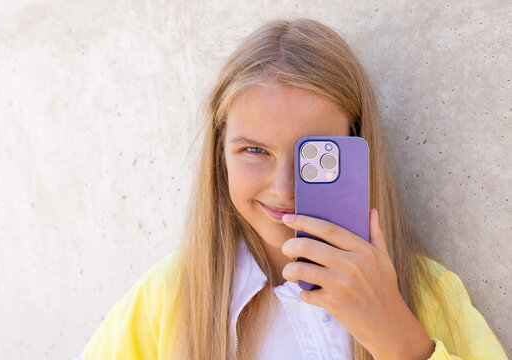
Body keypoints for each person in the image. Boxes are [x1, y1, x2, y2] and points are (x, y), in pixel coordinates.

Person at [76, 18, 507, 359]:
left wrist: (400, 342)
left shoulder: (429, 292)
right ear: (219, 156)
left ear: (358, 148)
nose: (284, 189)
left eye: (313, 155)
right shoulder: (168, 295)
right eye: (254, 150)